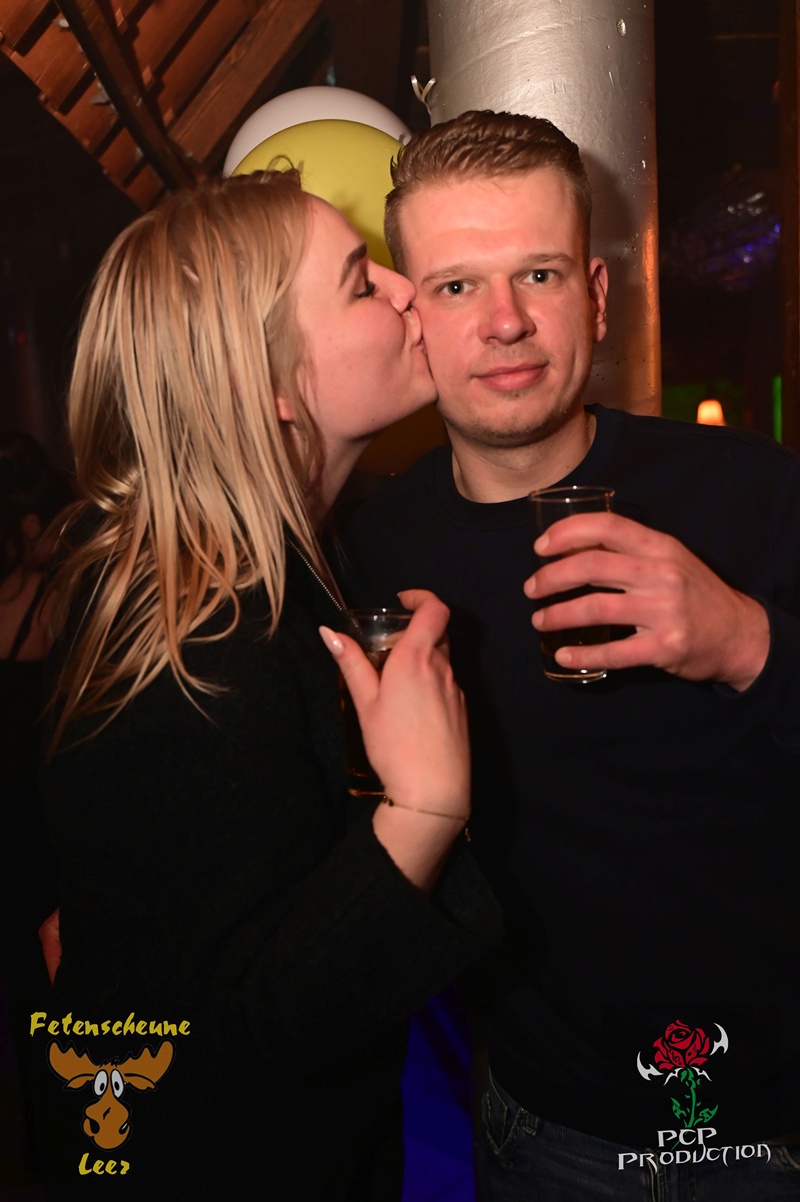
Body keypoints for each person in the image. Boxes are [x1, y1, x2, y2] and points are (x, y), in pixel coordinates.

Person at [339, 110, 800, 1200]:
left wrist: (744, 639)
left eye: (537, 274)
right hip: (543, 1136)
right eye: (457, 285)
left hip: (775, 1130)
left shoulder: (754, 489)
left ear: (594, 295)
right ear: (414, 319)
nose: (504, 321)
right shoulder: (368, 553)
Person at [34, 171, 501, 1198]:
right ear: (269, 386)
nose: (406, 288)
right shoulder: (197, 639)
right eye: (359, 282)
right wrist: (421, 810)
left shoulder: (279, 569)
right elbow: (243, 1043)